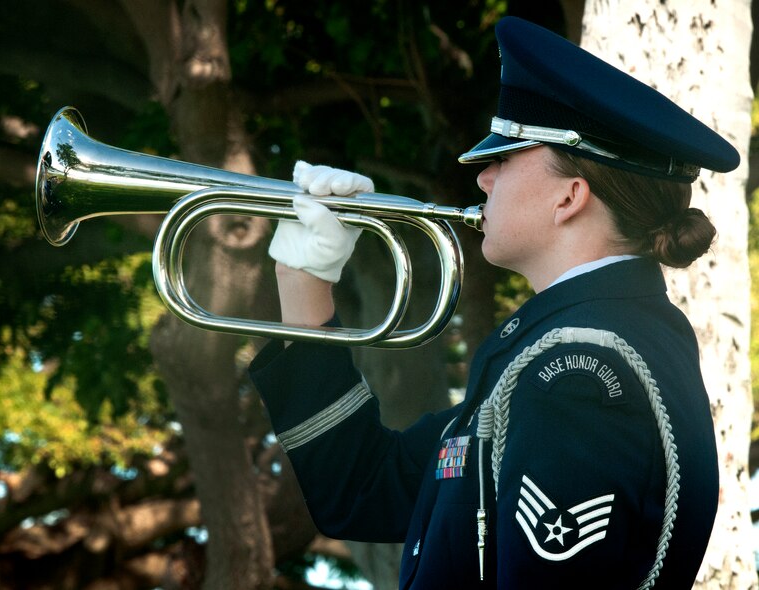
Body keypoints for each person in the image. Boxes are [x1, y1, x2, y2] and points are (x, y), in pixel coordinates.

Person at [248, 16, 740, 589]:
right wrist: (304, 276)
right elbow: (361, 491)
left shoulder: (579, 370)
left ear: (569, 195)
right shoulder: (566, 349)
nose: (482, 179)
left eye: (503, 158)